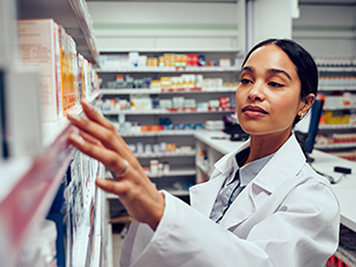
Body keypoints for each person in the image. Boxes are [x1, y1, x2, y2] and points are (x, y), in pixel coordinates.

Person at [67, 38, 340, 267]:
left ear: (305, 104)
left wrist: (160, 211)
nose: (254, 92)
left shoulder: (312, 199)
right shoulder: (228, 171)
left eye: (275, 83)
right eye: (246, 80)